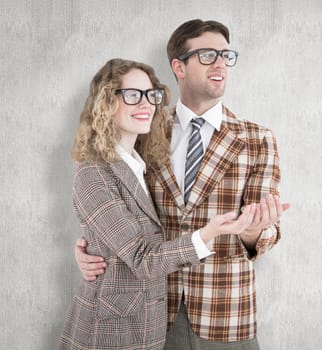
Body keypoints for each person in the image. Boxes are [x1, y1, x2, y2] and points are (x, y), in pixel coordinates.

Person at [75, 19, 288, 349]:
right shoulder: (146, 129)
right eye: (207, 55)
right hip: (153, 309)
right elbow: (120, 197)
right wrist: (92, 246)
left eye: (225, 55)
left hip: (226, 312)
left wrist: (253, 231)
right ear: (179, 66)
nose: (220, 64)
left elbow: (267, 234)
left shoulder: (257, 139)